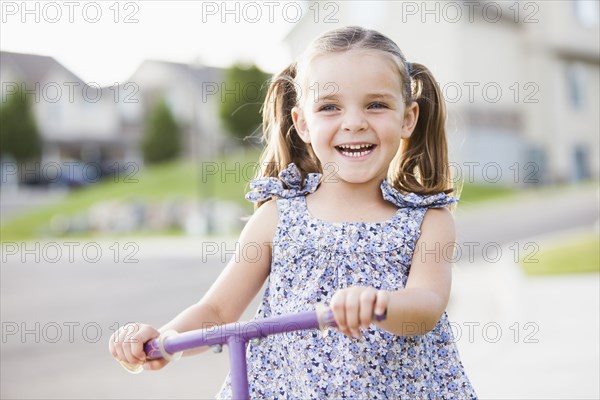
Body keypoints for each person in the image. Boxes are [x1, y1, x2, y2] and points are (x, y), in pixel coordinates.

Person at [110, 26, 477, 399]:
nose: (353, 122)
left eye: (376, 104)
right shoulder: (277, 216)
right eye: (329, 107)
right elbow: (218, 311)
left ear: (408, 119)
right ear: (302, 123)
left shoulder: (427, 220)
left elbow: (426, 307)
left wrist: (380, 304)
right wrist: (165, 340)